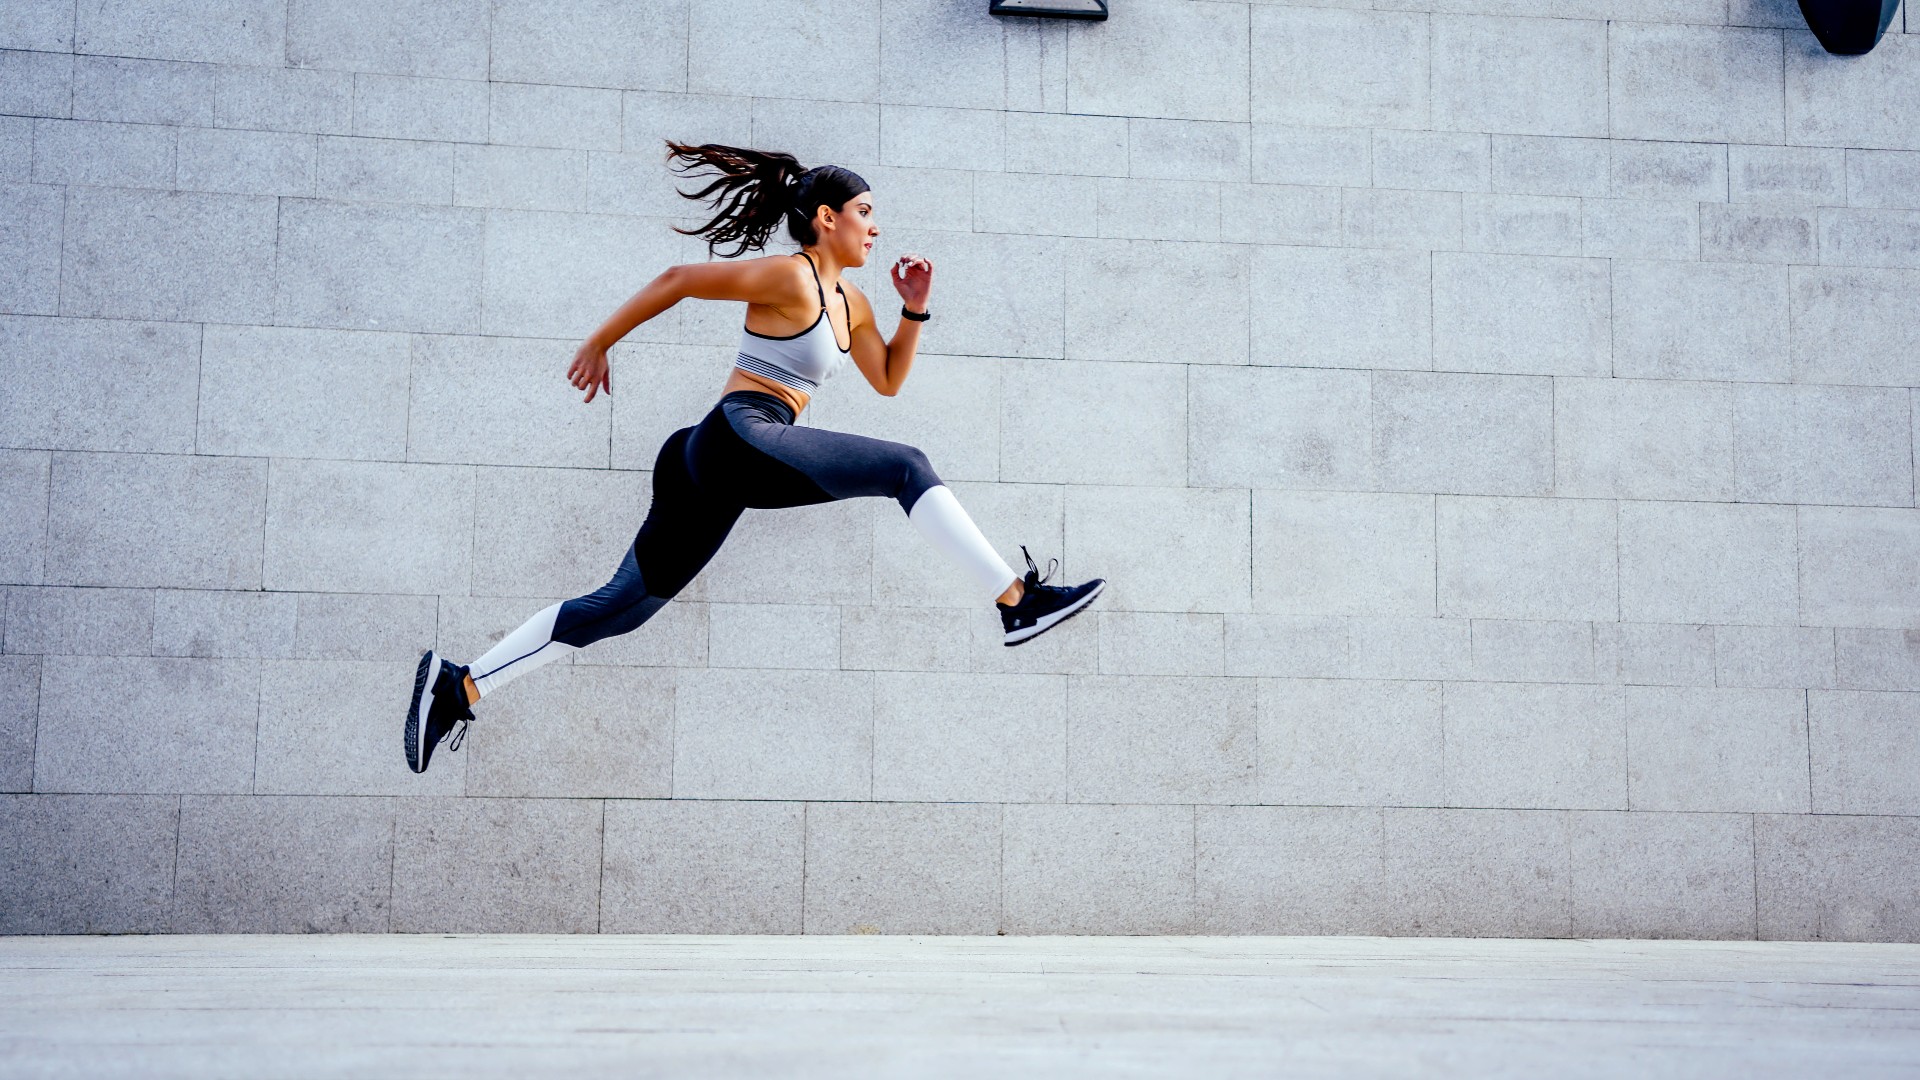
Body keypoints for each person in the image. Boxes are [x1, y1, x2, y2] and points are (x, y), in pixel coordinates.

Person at [403, 141, 1106, 774]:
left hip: (711, 459)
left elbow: (888, 380)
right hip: (739, 433)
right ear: (826, 218)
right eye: (865, 211)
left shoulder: (851, 301)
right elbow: (679, 277)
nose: (876, 226)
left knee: (626, 608)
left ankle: (459, 684)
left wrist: (913, 310)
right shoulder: (791, 278)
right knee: (907, 466)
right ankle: (1017, 600)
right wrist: (600, 340)